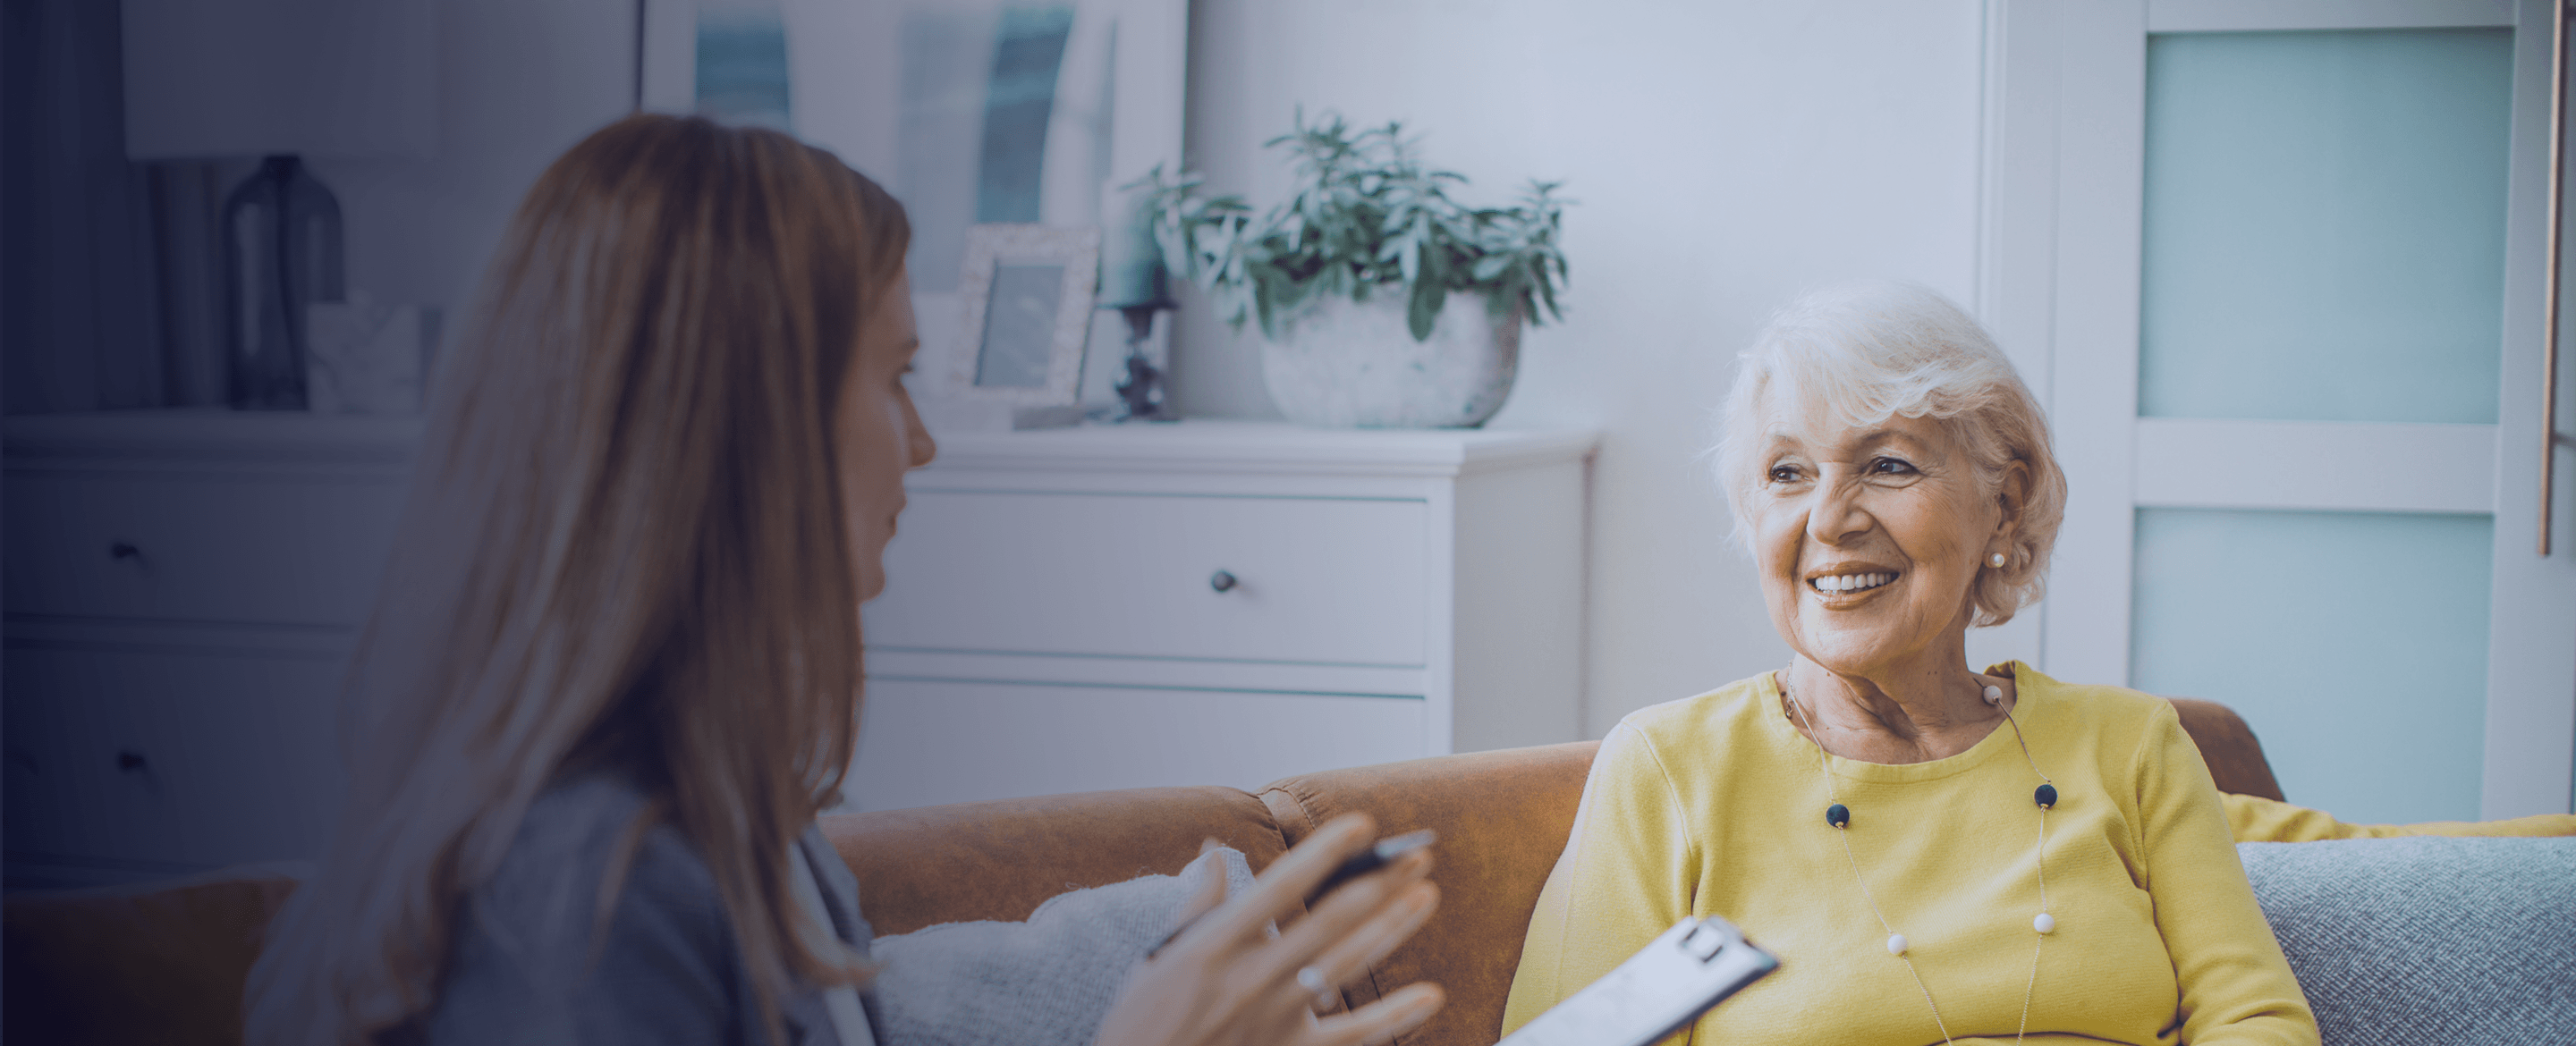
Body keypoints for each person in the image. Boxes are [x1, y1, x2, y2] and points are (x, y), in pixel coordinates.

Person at [243, 114, 1445, 1046]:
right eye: (897, 375)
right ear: (740, 429)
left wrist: (1174, 943)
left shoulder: (727, 824)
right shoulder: (586, 895)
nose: (920, 441)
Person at [1499, 283, 2318, 1045]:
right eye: (1788, 473)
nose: (1828, 519)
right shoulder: (1669, 771)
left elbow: (2256, 1019)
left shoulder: (2132, 745)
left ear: (2004, 500)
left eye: (1887, 464)